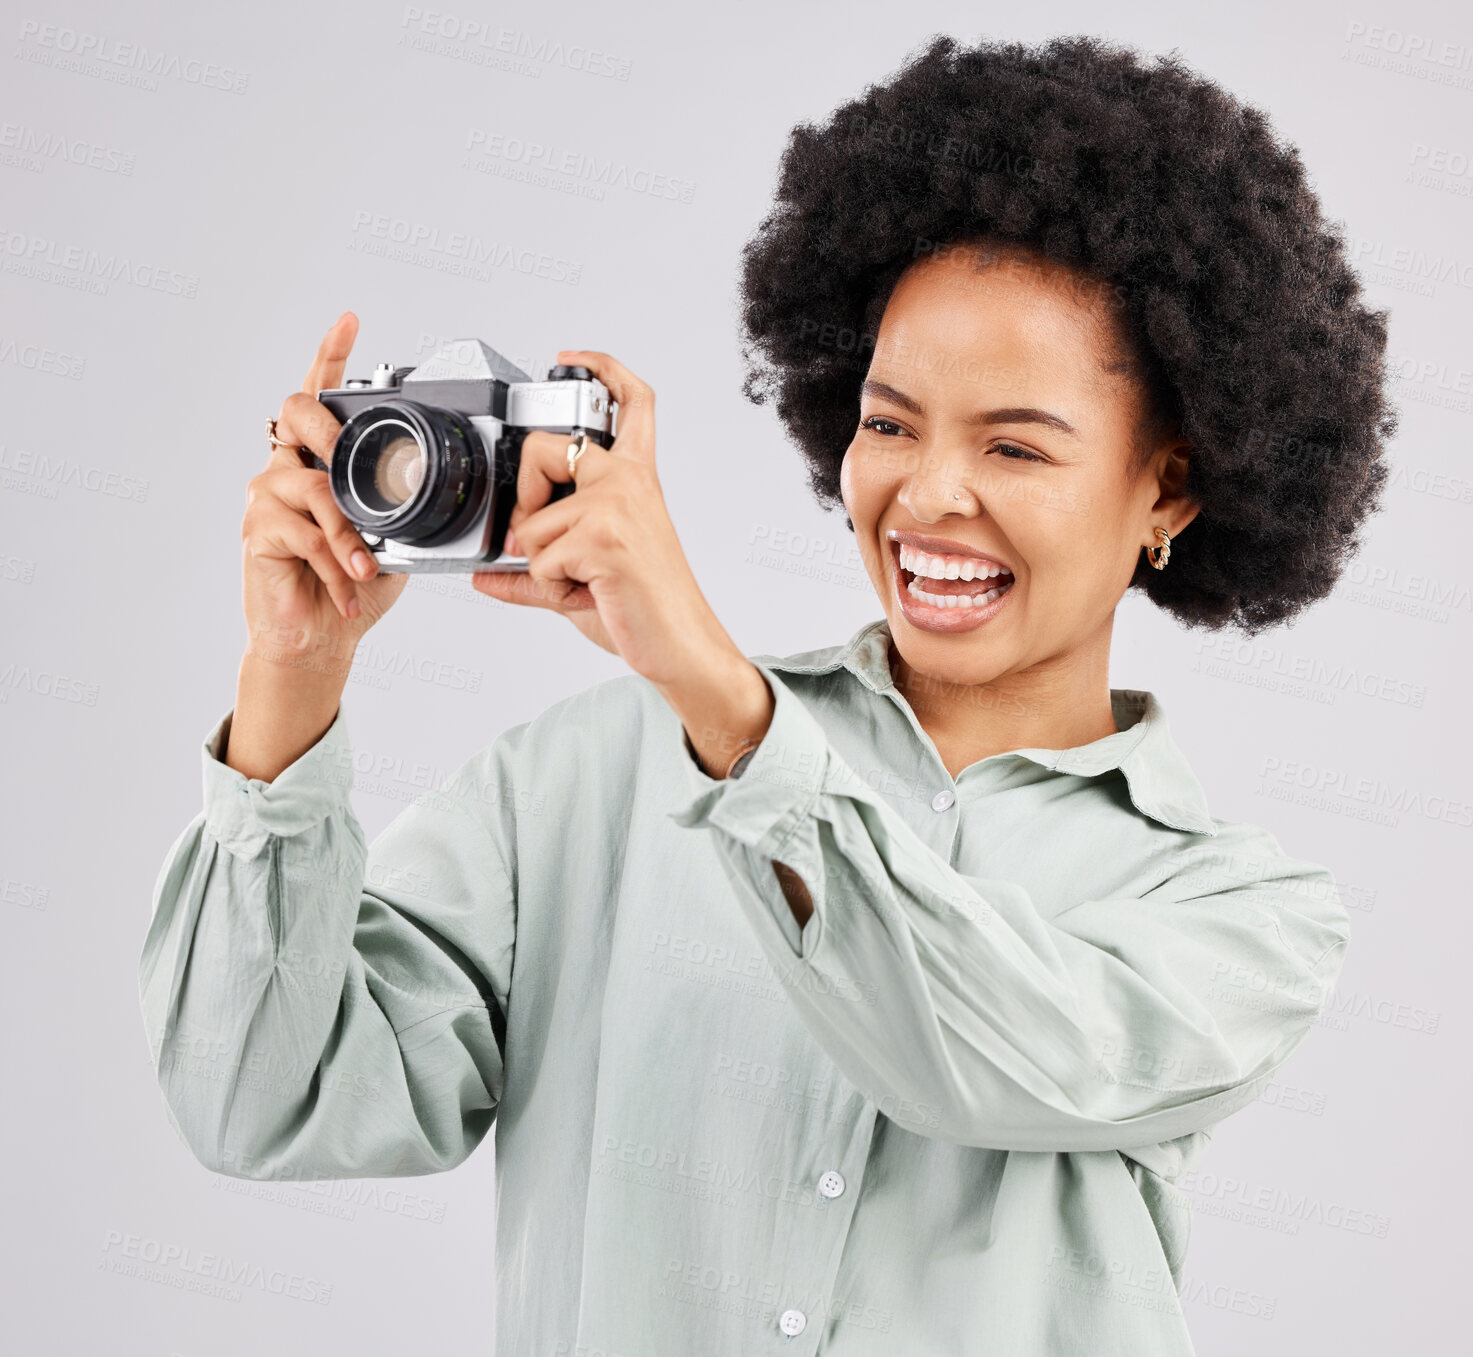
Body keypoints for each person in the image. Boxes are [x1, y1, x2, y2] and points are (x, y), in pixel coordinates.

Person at [138, 33, 1391, 1357]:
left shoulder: (1239, 920)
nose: (926, 495)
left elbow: (968, 1056)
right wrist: (295, 669)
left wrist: (720, 703)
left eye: (1015, 443)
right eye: (890, 421)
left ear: (1169, 491)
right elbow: (258, 1102)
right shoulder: (594, 778)